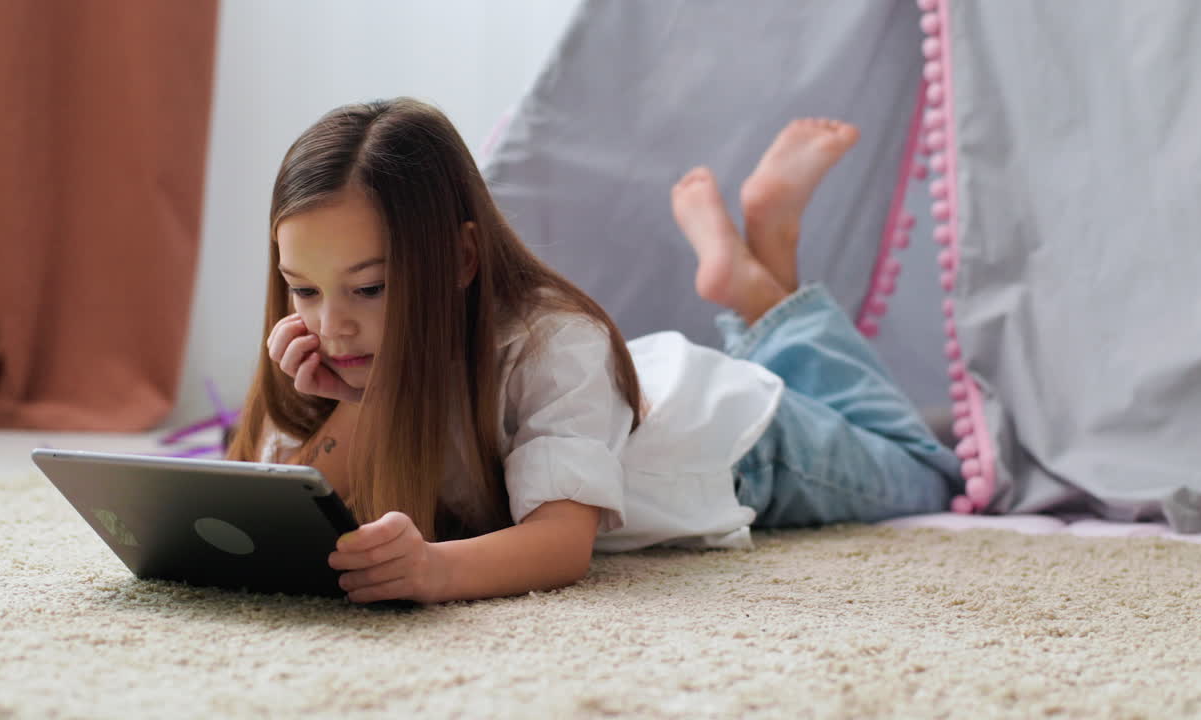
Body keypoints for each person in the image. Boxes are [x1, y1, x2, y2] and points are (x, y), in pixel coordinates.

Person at [226, 99, 960, 605]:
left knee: (926, 470)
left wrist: (433, 568)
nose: (332, 327)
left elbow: (560, 543)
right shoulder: (333, 352)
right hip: (634, 400)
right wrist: (348, 407)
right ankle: (760, 268)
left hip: (745, 444)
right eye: (303, 289)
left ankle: (763, 285)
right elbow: (307, 513)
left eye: (371, 288)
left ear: (458, 261)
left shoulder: (554, 343)